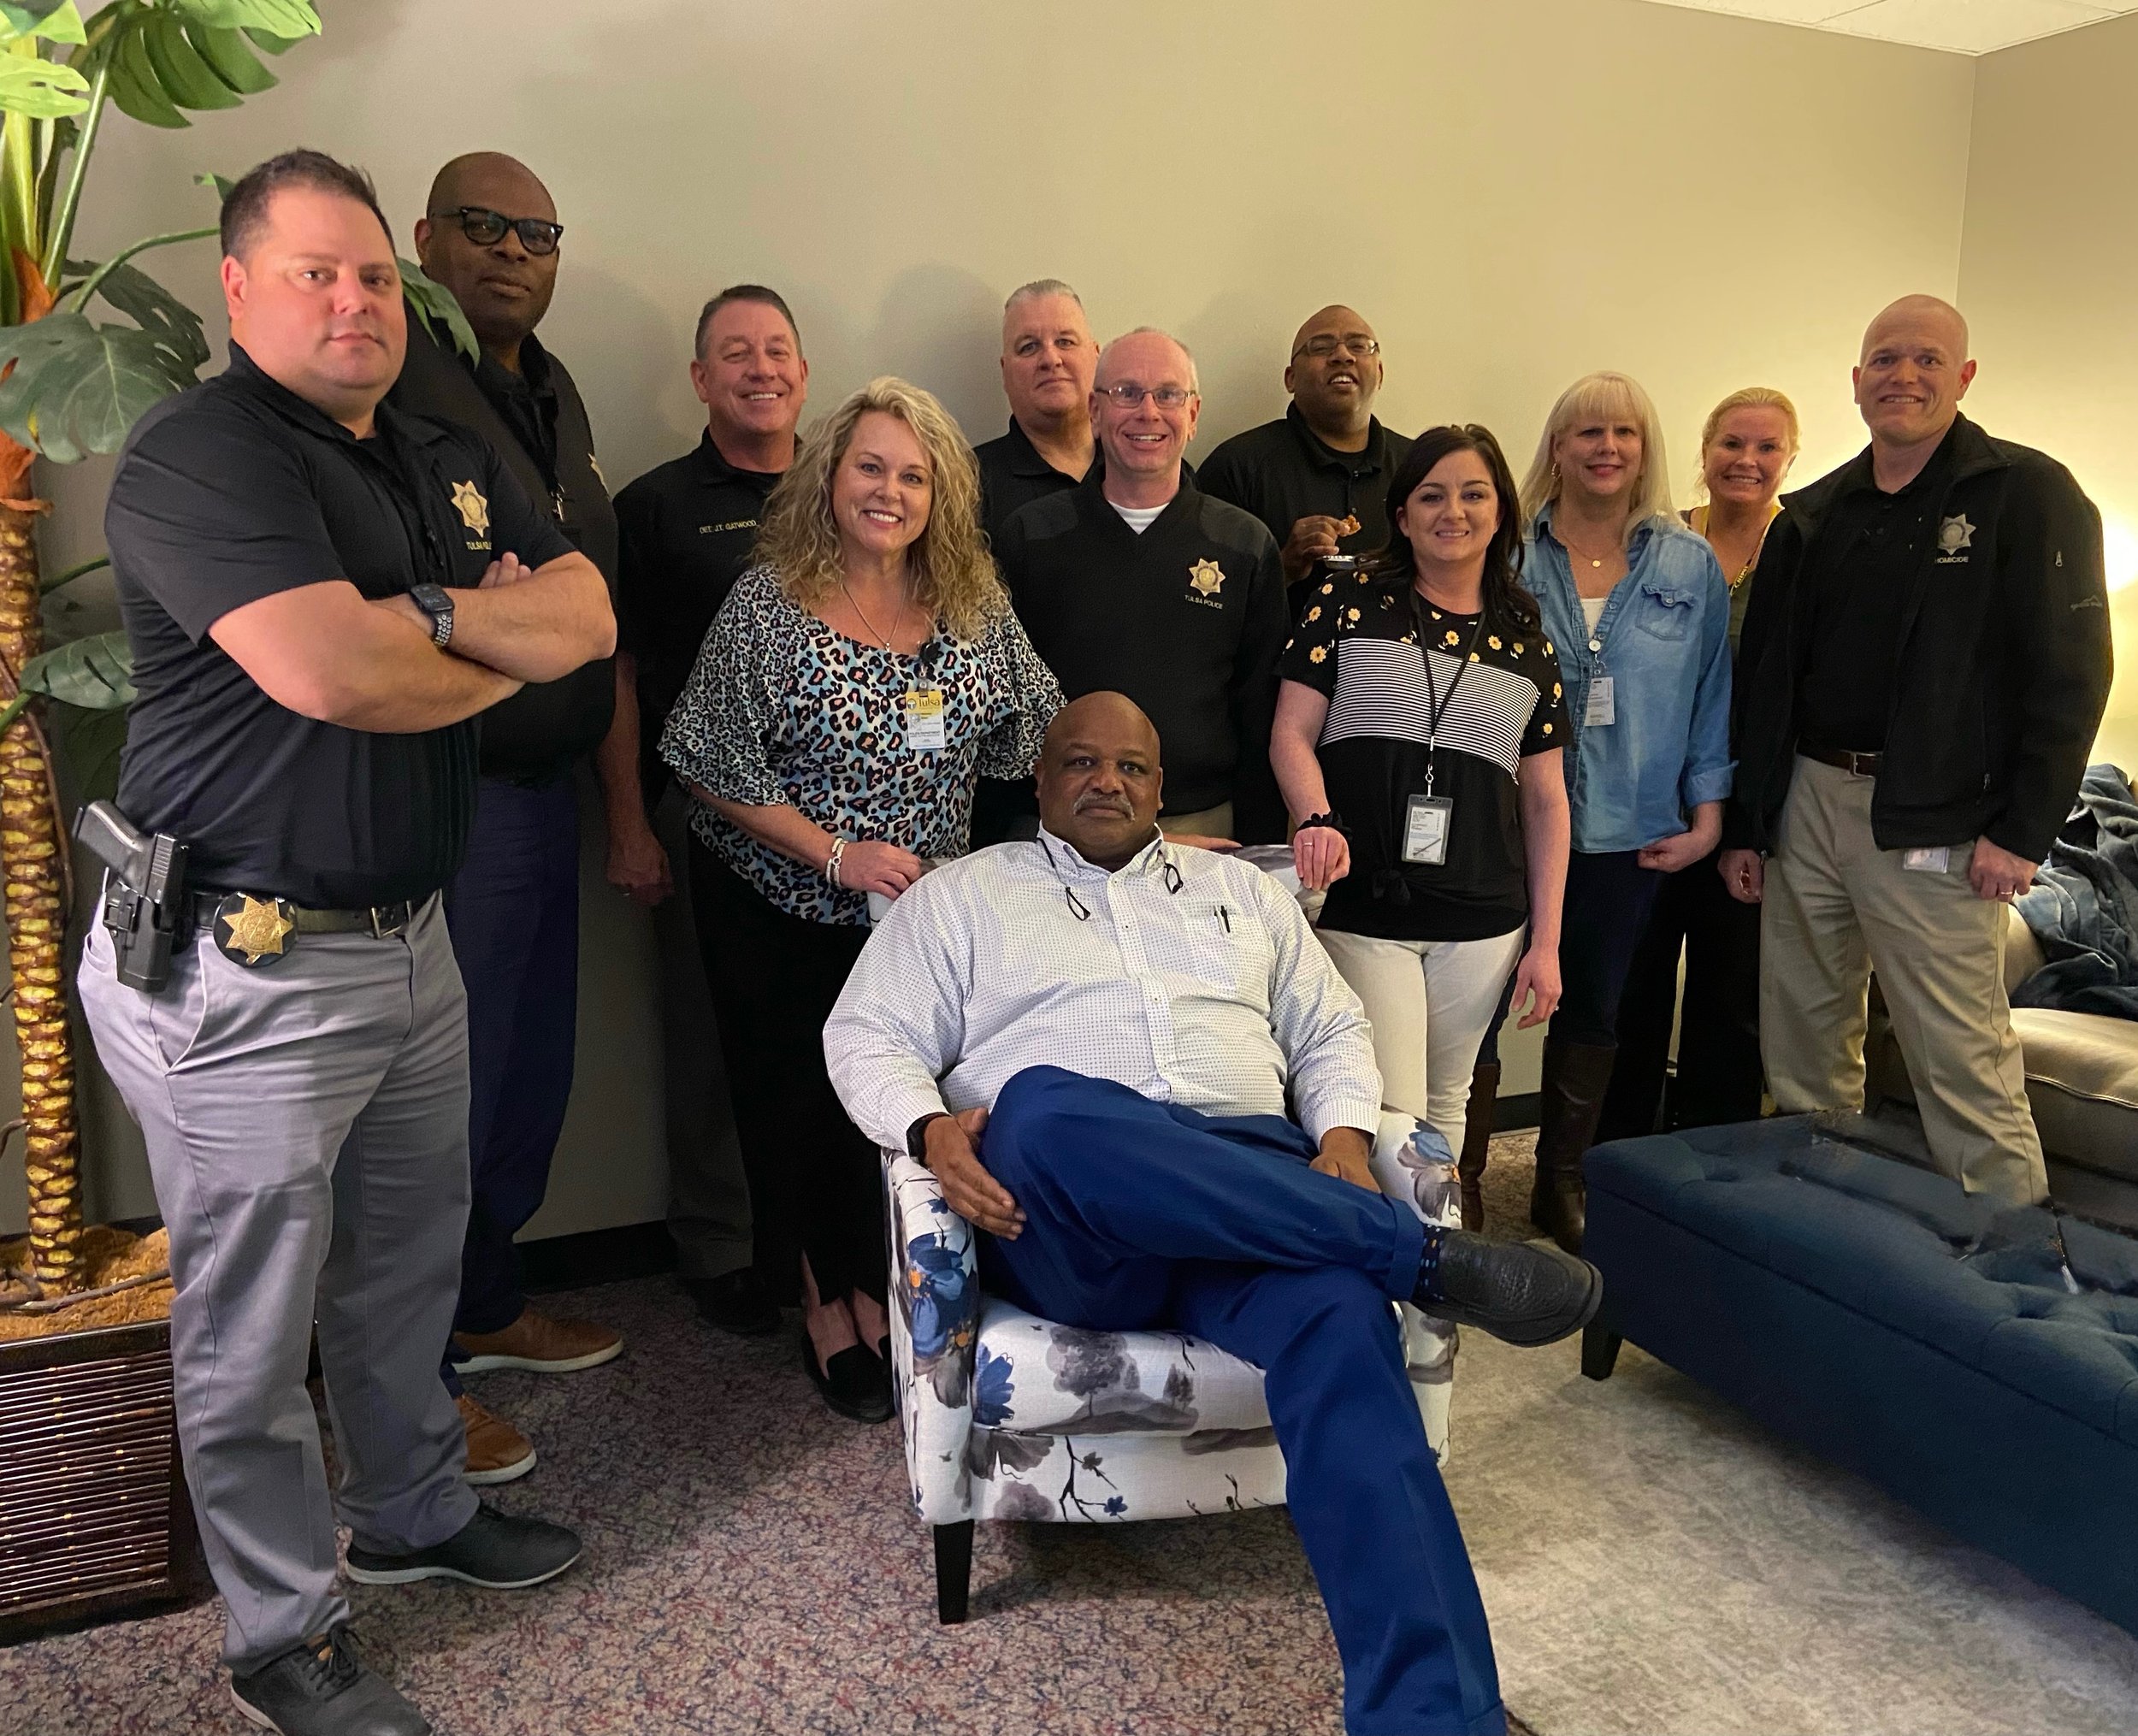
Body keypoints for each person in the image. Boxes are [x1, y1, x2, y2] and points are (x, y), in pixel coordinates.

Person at [81, 150, 609, 1736]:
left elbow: (581, 615)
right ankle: (275, 1631)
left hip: (408, 941)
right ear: (237, 288)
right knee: (248, 1325)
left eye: (373, 274)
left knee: (404, 1265)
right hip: (244, 961)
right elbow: (331, 675)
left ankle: (411, 1515)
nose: (353, 300)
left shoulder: (440, 445)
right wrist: (469, 631)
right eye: (314, 271)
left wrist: (435, 628)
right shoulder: (197, 458)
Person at [824, 690, 1600, 1736]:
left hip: (1253, 1198)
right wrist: (925, 1126)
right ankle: (1416, 1255)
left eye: (1133, 767)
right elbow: (863, 1032)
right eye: (1082, 763)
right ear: (1042, 780)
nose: (1108, 781)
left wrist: (1336, 1133)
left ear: (1160, 784)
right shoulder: (961, 897)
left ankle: (1433, 1717)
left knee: (1340, 1327)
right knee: (1044, 1102)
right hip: (1073, 1215)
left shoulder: (1242, 892)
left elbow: (1328, 1025)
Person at [660, 376, 1062, 1423]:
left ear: (942, 496)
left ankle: (879, 1285)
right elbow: (704, 757)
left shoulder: (972, 602)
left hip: (912, 920)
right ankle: (823, 1298)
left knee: (887, 1103)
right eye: (870, 467)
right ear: (830, 477)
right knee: (792, 1103)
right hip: (776, 901)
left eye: (913, 475)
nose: (889, 490)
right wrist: (835, 852)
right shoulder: (772, 597)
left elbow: (1037, 736)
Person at [1721, 296, 2111, 1206]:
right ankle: (1826, 1234)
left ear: (1964, 377)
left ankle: (2009, 1280)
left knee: (1959, 1062)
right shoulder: (1812, 515)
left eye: (1928, 360)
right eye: (1885, 360)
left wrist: (2021, 831)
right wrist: (1752, 824)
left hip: (1937, 818)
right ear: (1855, 383)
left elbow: (2070, 675)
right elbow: (1769, 682)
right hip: (1808, 801)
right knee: (1804, 1048)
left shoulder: (2028, 495)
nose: (1905, 376)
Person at [388, 149, 624, 1485]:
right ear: (426, 238)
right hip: (455, 800)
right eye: (481, 227)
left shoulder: (551, 387)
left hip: (548, 800)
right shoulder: (403, 380)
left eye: (536, 232)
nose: (511, 252)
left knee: (526, 1083)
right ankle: (408, 1386)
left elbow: (586, 607)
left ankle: (483, 1304)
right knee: (440, 1109)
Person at [1272, 424, 1569, 1234]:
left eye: (1474, 493)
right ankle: (1398, 1279)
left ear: (1501, 510)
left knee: (1446, 1102)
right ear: (1401, 515)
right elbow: (1291, 732)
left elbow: (1546, 800)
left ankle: (1430, 1279)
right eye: (1431, 495)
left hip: (1483, 914)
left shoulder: (1526, 634)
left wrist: (1545, 942)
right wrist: (1316, 816)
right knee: (1392, 1109)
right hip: (1367, 902)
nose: (1454, 511)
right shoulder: (1349, 598)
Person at [1467, 373, 1732, 1251]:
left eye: (1622, 431)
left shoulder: (1687, 563)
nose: (1604, 447)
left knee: (1597, 1010)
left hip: (1632, 828)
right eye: (1585, 432)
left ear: (1645, 446)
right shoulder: (1507, 556)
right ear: (1556, 447)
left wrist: (1707, 812)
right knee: (1477, 1004)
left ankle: (1559, 1180)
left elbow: (1709, 697)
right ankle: (1461, 1177)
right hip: (1505, 827)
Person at [607, 284, 810, 1337]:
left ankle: (831, 1242)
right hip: (706, 816)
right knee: (710, 1037)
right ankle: (724, 1244)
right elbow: (621, 672)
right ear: (700, 378)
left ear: (804, 374)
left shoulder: (850, 488)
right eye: (736, 353)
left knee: (841, 1035)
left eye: (778, 350)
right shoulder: (654, 505)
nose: (760, 368)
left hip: (843, 829)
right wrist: (630, 824)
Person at [1598, 388, 1798, 1144]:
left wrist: (1750, 822)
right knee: (1633, 991)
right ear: (1705, 450)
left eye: (1767, 448)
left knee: (1729, 1000)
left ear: (1789, 458)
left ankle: (1711, 1167)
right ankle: (1618, 1160)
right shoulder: (1656, 541)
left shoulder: (1801, 549)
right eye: (1732, 444)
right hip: (1648, 798)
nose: (1747, 462)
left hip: (1750, 811)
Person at [995, 327, 1287, 841]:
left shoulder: (1244, 545)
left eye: (1168, 395)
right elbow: (1000, 699)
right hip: (1056, 828)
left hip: (1200, 824)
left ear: (1193, 415)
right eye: (1127, 393)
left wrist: (1258, 846)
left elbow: (1260, 713)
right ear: (1095, 410)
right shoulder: (1031, 536)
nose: (1148, 413)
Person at [1198, 304, 1412, 600]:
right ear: (1291, 378)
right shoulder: (1237, 467)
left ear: (1380, 373)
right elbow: (1201, 599)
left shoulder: (1419, 468)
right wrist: (1283, 567)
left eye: (1359, 346)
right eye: (1321, 347)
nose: (1343, 356)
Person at [973, 278, 1099, 546]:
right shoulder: (966, 485)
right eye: (1028, 347)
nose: (1051, 360)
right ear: (1005, 372)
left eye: (1065, 341)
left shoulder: (1146, 466)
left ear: (1096, 356)